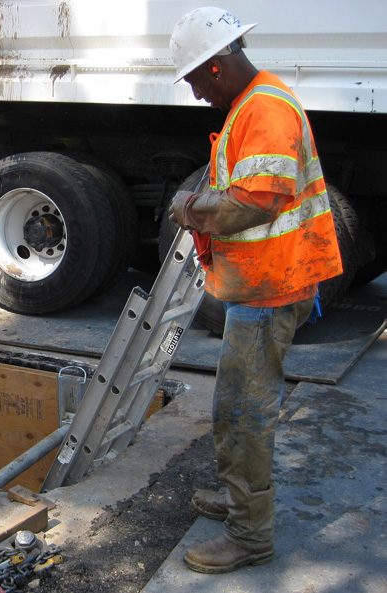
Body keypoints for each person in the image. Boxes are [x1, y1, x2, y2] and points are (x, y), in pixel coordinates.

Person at [167, 7, 343, 574]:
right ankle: (239, 499)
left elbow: (255, 201)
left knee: (244, 412)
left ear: (217, 67)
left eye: (194, 80)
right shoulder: (253, 102)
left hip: (273, 287)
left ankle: (250, 535)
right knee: (232, 406)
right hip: (262, 286)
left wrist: (187, 208)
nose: (195, 94)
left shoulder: (264, 110)